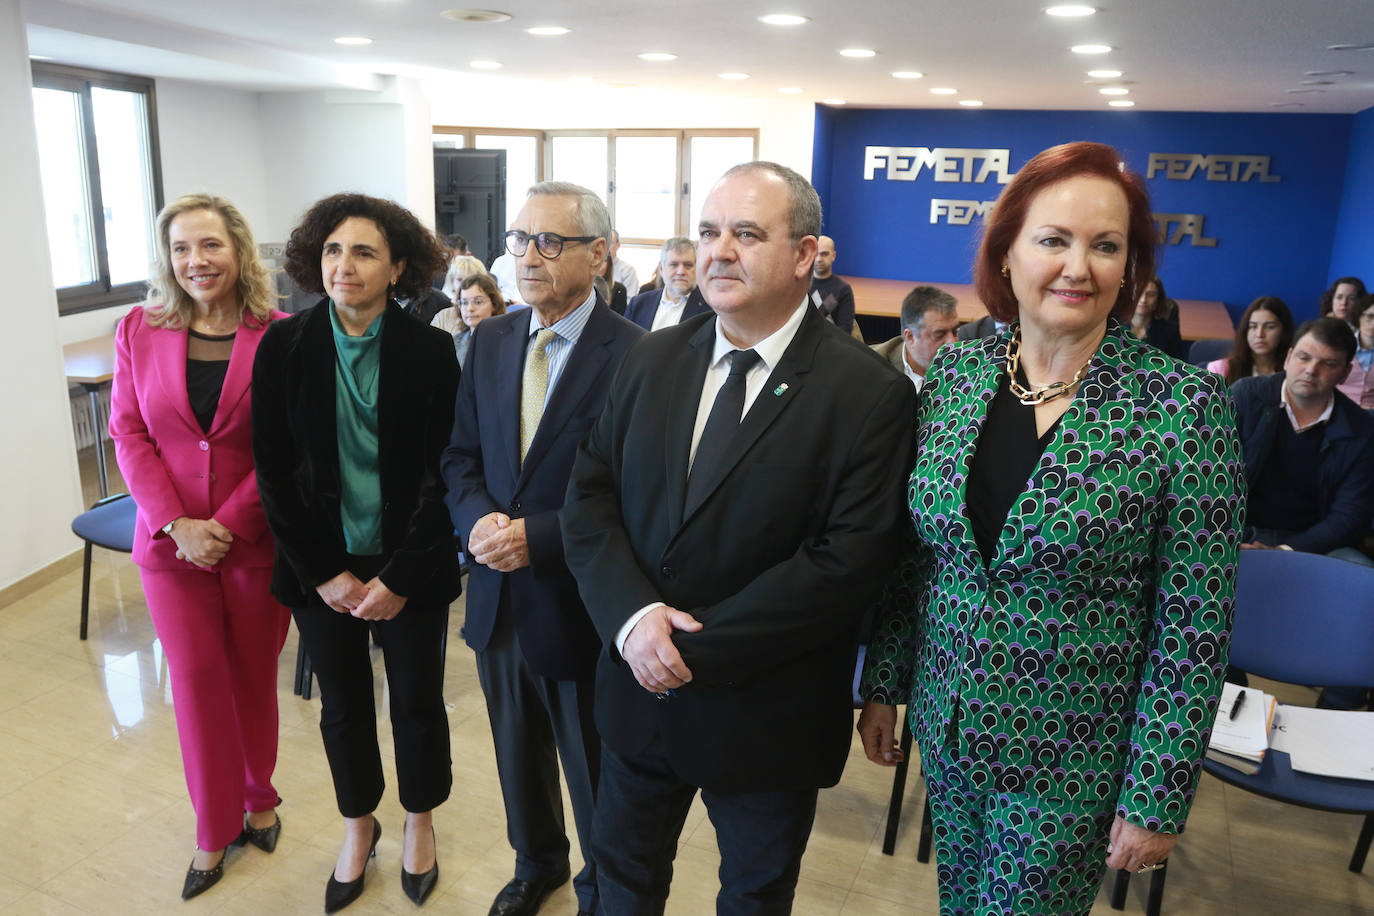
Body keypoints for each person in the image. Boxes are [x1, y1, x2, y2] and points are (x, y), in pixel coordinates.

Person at [857, 141, 1245, 916]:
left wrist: (1156, 794)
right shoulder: (960, 372)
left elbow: (1195, 622)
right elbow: (918, 557)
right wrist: (885, 687)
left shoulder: (1183, 409)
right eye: (1054, 240)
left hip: (1073, 756)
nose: (1079, 267)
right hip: (951, 723)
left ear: (1130, 268)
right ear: (1006, 256)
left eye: (1106, 246)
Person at [561, 161, 915, 913]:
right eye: (710, 231)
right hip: (637, 696)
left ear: (804, 255)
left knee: (754, 897)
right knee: (618, 884)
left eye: (746, 233)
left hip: (766, 718)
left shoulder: (868, 394)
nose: (719, 251)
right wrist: (633, 624)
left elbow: (847, 563)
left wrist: (685, 649)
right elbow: (589, 498)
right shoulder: (650, 360)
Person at [252, 193, 461, 913]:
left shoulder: (433, 351)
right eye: (334, 250)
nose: (345, 265)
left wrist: (400, 574)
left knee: (416, 704)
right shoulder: (282, 346)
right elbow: (273, 474)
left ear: (398, 266)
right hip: (322, 569)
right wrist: (327, 575)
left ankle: (420, 820)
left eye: (365, 252)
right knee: (342, 706)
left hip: (410, 563)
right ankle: (358, 825)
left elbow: (446, 473)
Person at [442, 181, 644, 916]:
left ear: (599, 253)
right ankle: (538, 864)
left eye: (548, 242)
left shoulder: (637, 356)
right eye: (519, 240)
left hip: (580, 603)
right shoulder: (492, 340)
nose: (527, 257)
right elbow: (461, 456)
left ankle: (601, 884)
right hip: (497, 596)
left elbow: (642, 497)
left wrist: (542, 538)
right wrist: (476, 524)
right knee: (515, 753)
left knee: (593, 768)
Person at [109, 194, 291, 901]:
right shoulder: (138, 328)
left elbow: (286, 447)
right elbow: (129, 433)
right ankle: (213, 829)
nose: (196, 262)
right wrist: (176, 523)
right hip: (170, 547)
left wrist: (228, 521)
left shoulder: (279, 335)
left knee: (253, 677)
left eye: (209, 245)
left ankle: (259, 793)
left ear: (239, 250)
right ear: (168, 258)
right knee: (195, 685)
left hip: (252, 541)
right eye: (182, 249)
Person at [1232, 317, 1374, 710]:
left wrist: (1286, 552)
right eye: (1305, 357)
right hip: (1242, 533)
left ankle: (1339, 707)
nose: (1311, 370)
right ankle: (1224, 699)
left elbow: (1352, 516)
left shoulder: (1361, 430)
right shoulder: (1245, 396)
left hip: (1317, 541)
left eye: (1327, 364)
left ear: (1346, 371)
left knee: (1367, 587)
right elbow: (1210, 483)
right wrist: (1236, 539)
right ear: (1290, 356)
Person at [871, 285, 960, 391]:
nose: (953, 342)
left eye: (955, 331)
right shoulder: (872, 369)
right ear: (910, 337)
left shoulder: (967, 364)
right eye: (939, 334)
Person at [624, 237, 710, 332]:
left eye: (688, 265)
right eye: (674, 265)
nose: (681, 272)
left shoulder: (710, 308)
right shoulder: (638, 305)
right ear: (661, 269)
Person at [1208, 296, 1293, 386]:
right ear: (1245, 330)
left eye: (1270, 327)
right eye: (1253, 326)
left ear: (1284, 331)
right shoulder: (1220, 369)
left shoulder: (1293, 371)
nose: (1259, 334)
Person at [432, 272, 507, 367]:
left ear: (494, 304)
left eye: (478, 302)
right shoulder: (454, 342)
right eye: (464, 302)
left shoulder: (508, 342)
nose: (470, 308)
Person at [1128, 275, 1184, 359]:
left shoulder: (1169, 331)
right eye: (1138, 293)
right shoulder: (1114, 326)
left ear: (1158, 300)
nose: (1143, 300)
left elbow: (1176, 365)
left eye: (1150, 295)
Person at [809, 234, 855, 333]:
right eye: (816, 254)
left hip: (830, 345)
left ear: (833, 256)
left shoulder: (843, 290)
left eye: (824, 254)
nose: (819, 259)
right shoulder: (801, 287)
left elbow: (845, 331)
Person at [1337, 294, 1374, 408]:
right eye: (1369, 316)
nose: (1373, 324)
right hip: (1339, 408)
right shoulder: (1341, 344)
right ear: (1359, 316)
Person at [609, 229, 640, 296]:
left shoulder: (628, 271)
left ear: (618, 245)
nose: (605, 247)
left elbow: (630, 301)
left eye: (610, 243)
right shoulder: (590, 268)